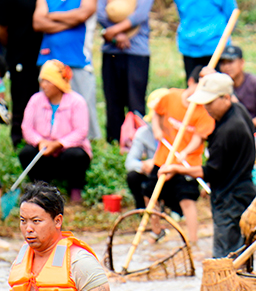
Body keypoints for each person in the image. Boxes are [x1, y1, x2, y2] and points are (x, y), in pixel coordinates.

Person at [158, 73, 256, 259]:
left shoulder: (227, 132)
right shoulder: (239, 111)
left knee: (226, 257)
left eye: (210, 103)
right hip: (244, 190)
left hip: (230, 199)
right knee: (242, 252)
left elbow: (209, 172)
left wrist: (177, 168)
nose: (206, 108)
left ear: (225, 98)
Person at [145, 66, 215, 243]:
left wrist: (185, 152)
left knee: (187, 200)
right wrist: (157, 129)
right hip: (164, 158)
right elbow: (156, 112)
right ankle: (156, 230)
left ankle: (193, 241)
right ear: (191, 82)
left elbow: (198, 138)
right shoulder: (170, 97)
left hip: (187, 162)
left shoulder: (204, 110)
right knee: (151, 193)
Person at [20, 60, 92, 202]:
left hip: (66, 152)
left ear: (58, 83)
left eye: (48, 81)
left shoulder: (77, 102)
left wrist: (59, 143)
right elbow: (26, 128)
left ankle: (75, 190)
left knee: (76, 155)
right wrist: (40, 142)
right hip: (43, 150)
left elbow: (81, 131)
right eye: (42, 81)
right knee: (26, 153)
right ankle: (41, 189)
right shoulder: (35, 100)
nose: (43, 85)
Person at [33, 0, 102, 140]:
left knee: (84, 105)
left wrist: (51, 16)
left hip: (78, 59)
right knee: (48, 106)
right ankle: (50, 141)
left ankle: (86, 144)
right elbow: (38, 22)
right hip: (49, 61)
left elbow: (82, 15)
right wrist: (69, 21)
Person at [97, 0, 154, 143]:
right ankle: (114, 141)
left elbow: (140, 15)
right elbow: (100, 13)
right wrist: (116, 36)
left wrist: (114, 31)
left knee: (136, 102)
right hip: (111, 51)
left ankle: (138, 143)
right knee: (112, 100)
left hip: (137, 52)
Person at [217, 44, 256, 145]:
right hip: (231, 130)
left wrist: (249, 124)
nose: (227, 67)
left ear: (242, 63)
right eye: (223, 63)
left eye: (230, 62)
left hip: (254, 128)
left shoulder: (255, 82)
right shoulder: (219, 86)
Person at [1, 0, 44, 147]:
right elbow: (2, 28)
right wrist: (16, 46)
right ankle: (20, 142)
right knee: (22, 103)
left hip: (46, 55)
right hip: (20, 55)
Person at [125, 88, 167, 210]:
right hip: (152, 176)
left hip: (171, 174)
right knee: (133, 176)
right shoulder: (143, 133)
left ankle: (175, 209)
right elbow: (130, 163)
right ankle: (142, 209)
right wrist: (144, 166)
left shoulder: (179, 132)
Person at [174, 0, 237, 82]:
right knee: (194, 87)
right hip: (190, 46)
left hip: (217, 46)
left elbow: (232, 15)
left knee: (219, 87)